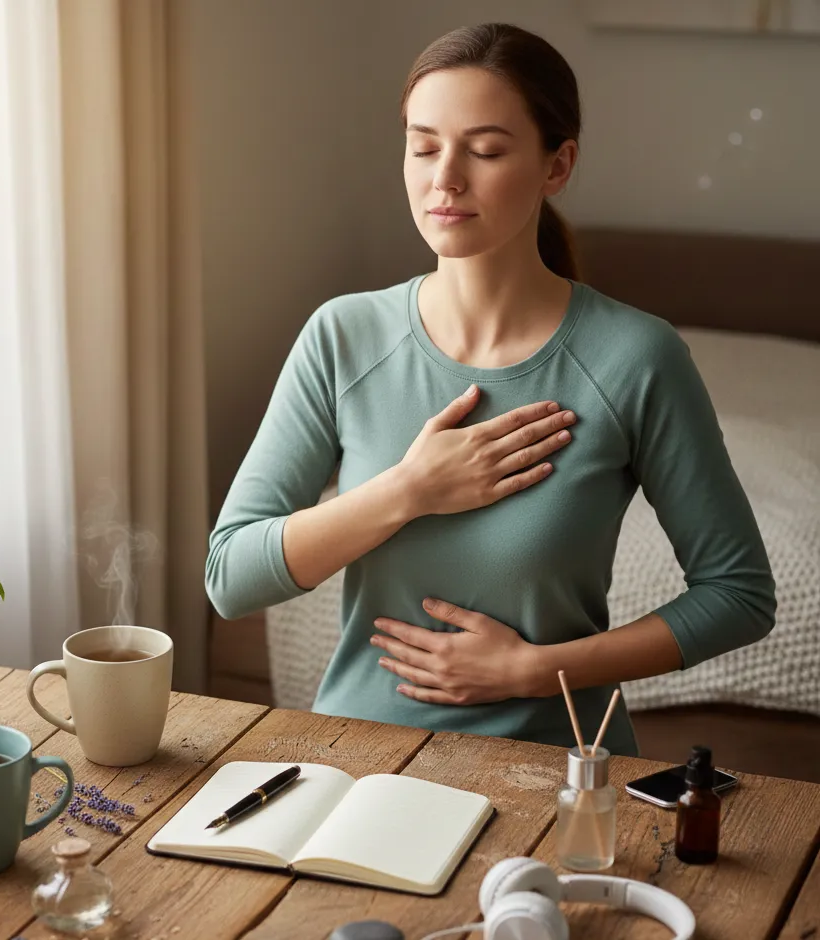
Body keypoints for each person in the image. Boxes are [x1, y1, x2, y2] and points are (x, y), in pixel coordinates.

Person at [204, 23, 776, 756]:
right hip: (360, 762)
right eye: (423, 146)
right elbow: (231, 578)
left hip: (557, 769)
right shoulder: (342, 335)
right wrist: (409, 490)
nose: (445, 178)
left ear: (556, 165)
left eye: (485, 150)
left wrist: (534, 671)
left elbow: (738, 595)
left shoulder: (637, 357)